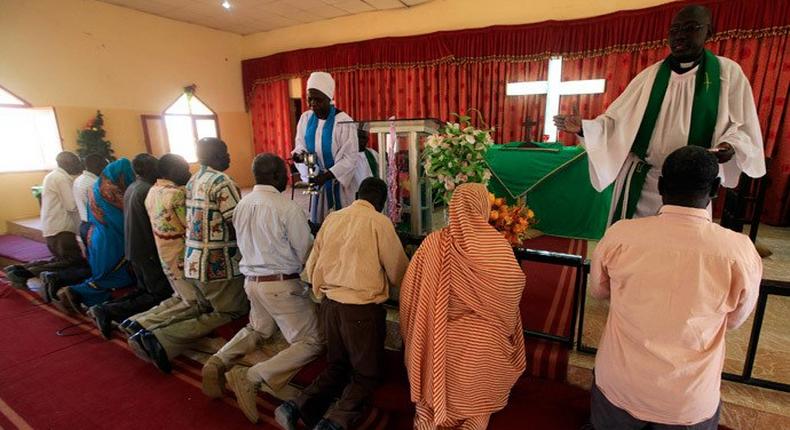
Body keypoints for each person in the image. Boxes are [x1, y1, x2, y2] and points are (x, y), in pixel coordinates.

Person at [589, 146, 761, 429]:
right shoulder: (738, 250)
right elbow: (734, 320)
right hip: (688, 400)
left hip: (620, 385)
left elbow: (599, 291)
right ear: (716, 188)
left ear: (660, 185)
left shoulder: (621, 234)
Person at [554, 4, 765, 224]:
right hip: (643, 181)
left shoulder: (727, 74)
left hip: (691, 188)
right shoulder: (650, 76)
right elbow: (614, 123)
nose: (680, 36)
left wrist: (729, 146)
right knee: (630, 245)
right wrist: (583, 128)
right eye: (674, 31)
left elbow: (743, 128)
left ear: (708, 33)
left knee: (682, 246)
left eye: (690, 28)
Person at [274, 177, 409, 430]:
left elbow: (312, 263)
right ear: (382, 202)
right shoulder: (379, 222)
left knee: (336, 366)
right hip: (360, 310)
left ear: (357, 194)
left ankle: (295, 407)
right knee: (366, 374)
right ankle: (334, 423)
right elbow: (398, 271)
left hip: (330, 305)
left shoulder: (333, 218)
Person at [204, 153, 323, 423]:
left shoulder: (243, 204)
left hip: (252, 283)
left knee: (260, 328)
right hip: (280, 285)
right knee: (312, 341)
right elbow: (306, 251)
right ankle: (251, 377)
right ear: (277, 176)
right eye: (284, 173)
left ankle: (219, 360)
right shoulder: (287, 208)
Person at [400, 183, 526, 430]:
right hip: (484, 350)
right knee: (479, 408)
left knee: (430, 406)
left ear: (452, 208)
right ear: (484, 208)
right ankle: (473, 418)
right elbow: (513, 289)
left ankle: (431, 416)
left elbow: (410, 293)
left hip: (439, 345)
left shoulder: (433, 244)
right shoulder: (497, 247)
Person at [128, 138, 249, 374]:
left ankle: (147, 329)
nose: (229, 157)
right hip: (219, 263)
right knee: (229, 311)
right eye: (224, 152)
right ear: (213, 156)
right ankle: (161, 339)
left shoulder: (194, 180)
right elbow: (237, 224)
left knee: (201, 306)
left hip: (193, 261)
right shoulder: (222, 181)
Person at [120, 154, 206, 339]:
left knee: (178, 295)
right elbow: (190, 227)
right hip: (181, 254)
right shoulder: (176, 194)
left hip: (164, 252)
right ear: (172, 172)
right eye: (184, 170)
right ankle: (150, 329)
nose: (188, 173)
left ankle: (137, 321)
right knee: (192, 301)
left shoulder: (154, 190)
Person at [88, 154, 173, 339]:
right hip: (146, 250)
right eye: (155, 167)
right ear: (149, 169)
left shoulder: (132, 188)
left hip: (135, 248)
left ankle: (106, 310)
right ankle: (109, 312)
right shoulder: (147, 190)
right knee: (157, 294)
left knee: (144, 290)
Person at [55, 158, 136, 314]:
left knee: (102, 274)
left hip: (96, 234)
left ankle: (79, 295)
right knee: (110, 277)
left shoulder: (96, 187)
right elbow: (123, 219)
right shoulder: (114, 191)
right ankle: (75, 293)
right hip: (112, 238)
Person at [4, 152, 90, 296]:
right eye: (74, 162)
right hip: (61, 228)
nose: (77, 165)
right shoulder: (61, 178)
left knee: (61, 260)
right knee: (72, 261)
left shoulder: (54, 176)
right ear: (65, 163)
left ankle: (18, 270)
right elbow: (71, 205)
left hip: (55, 226)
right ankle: (25, 274)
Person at [292, 71, 360, 225]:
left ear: (329, 99)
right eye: (310, 99)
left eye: (318, 100)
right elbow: (300, 143)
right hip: (318, 180)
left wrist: (327, 176)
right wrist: (299, 155)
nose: (313, 104)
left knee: (342, 223)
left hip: (338, 182)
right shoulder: (306, 118)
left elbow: (350, 157)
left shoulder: (343, 121)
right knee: (321, 222)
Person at [73, 153, 109, 246]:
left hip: (85, 224)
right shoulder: (93, 183)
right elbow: (103, 206)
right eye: (105, 165)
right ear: (99, 167)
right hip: (95, 226)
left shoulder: (79, 179)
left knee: (93, 256)